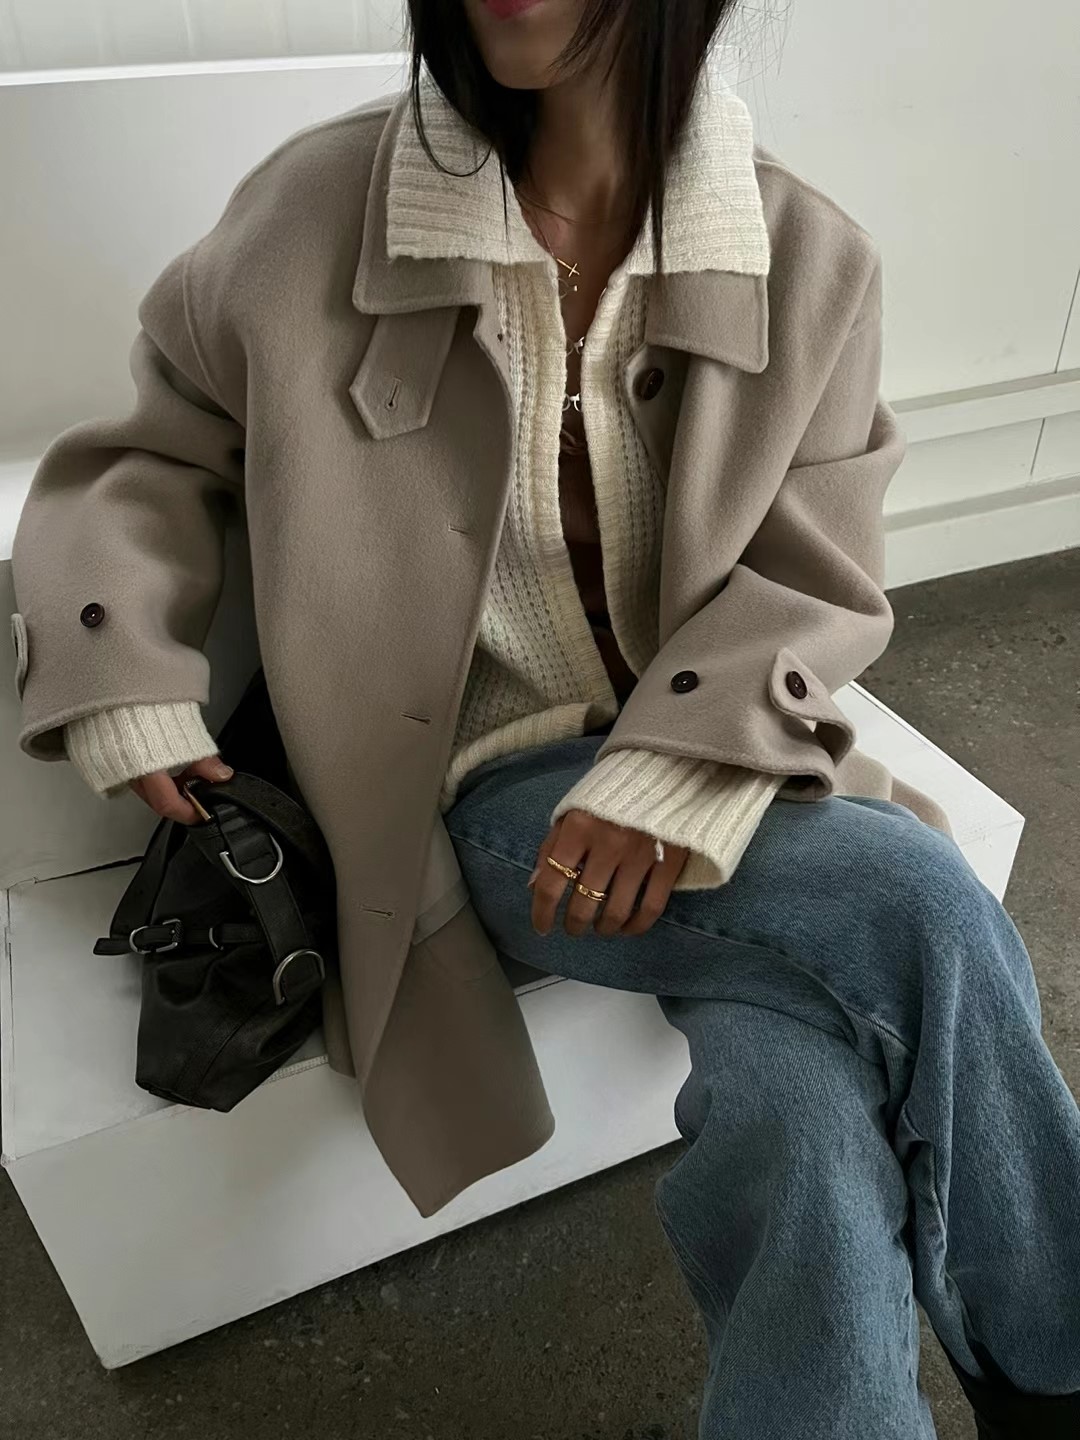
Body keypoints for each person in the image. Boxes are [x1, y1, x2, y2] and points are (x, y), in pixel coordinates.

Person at [10, 1, 1080, 1435]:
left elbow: (816, 571)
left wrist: (679, 769)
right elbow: (140, 460)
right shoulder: (317, 211)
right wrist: (124, 675)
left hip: (727, 756)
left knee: (803, 1100)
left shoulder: (806, 256)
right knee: (918, 895)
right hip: (470, 788)